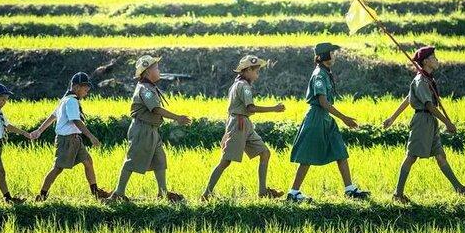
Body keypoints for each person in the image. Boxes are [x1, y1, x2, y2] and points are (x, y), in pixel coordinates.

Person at [383, 46, 465, 204]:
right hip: (422, 121)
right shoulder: (421, 80)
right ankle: (397, 194)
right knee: (411, 157)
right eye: (434, 58)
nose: (437, 60)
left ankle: (459, 188)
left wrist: (392, 118)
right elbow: (429, 105)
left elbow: (409, 98)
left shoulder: (427, 78)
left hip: (430, 122)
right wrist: (448, 123)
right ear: (426, 61)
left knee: (440, 155)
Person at [287, 42, 370, 203]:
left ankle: (349, 189)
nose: (334, 55)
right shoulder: (319, 74)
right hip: (317, 118)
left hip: (326, 118)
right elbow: (323, 101)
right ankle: (293, 193)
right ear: (324, 56)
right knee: (307, 156)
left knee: (340, 150)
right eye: (332, 52)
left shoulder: (325, 73)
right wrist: (344, 118)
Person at [201, 55, 286, 201]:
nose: (257, 74)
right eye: (256, 71)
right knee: (225, 161)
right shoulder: (243, 86)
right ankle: (206, 194)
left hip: (244, 124)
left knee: (265, 153)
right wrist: (274, 108)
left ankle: (263, 191)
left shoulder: (238, 84)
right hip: (239, 125)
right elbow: (251, 107)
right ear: (247, 70)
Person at [109, 55, 191, 202]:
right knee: (132, 160)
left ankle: (163, 192)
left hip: (152, 130)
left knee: (160, 160)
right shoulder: (145, 89)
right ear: (147, 72)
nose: (159, 71)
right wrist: (177, 117)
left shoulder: (149, 87)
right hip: (142, 130)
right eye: (156, 68)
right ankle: (118, 193)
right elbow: (155, 109)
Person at [30, 72, 110, 202]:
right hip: (66, 140)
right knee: (57, 168)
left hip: (75, 139)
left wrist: (39, 130)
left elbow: (53, 116)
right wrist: (91, 136)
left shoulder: (65, 99)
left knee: (88, 161)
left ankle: (95, 192)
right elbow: (76, 121)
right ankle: (42, 195)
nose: (86, 93)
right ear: (77, 87)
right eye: (85, 90)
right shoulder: (71, 101)